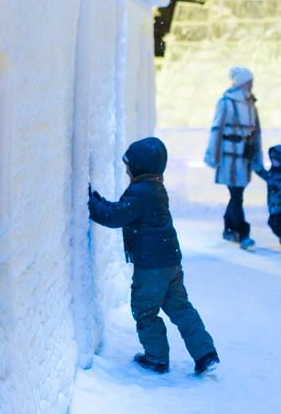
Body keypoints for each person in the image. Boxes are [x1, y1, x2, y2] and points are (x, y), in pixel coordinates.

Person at [89, 137, 220, 375]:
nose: (126, 170)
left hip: (151, 267)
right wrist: (98, 199)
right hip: (170, 262)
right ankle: (206, 354)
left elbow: (115, 216)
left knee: (145, 310)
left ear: (138, 167)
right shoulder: (155, 189)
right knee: (181, 308)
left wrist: (89, 202)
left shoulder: (139, 192)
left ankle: (156, 358)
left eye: (128, 166)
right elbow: (120, 210)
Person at [204, 66, 264, 250]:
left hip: (244, 156)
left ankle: (229, 228)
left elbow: (256, 132)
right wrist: (213, 156)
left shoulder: (251, 103)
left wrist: (256, 156)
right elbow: (216, 129)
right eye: (248, 82)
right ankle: (243, 233)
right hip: (229, 157)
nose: (251, 84)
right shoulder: (226, 102)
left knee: (237, 195)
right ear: (240, 83)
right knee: (237, 196)